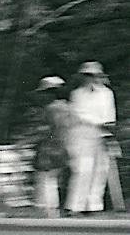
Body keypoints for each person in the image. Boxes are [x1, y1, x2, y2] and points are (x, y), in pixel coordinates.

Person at [65, 61, 116, 215]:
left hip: (101, 134)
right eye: (87, 75)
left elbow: (109, 114)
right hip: (81, 135)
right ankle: (75, 206)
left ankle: (94, 205)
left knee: (100, 170)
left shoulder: (107, 93)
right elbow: (78, 114)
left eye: (93, 75)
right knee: (82, 170)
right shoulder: (77, 94)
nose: (90, 78)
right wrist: (99, 122)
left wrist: (108, 130)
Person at [27, 76, 70, 218]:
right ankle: (52, 211)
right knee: (52, 180)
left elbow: (45, 131)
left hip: (49, 149)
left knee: (45, 180)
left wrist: (33, 140)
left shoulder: (50, 109)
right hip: (63, 147)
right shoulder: (67, 108)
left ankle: (48, 213)